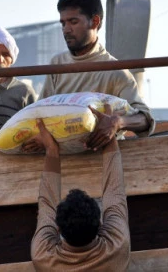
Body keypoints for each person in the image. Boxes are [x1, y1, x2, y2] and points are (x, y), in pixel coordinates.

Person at [24, 0, 155, 152]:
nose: (66, 29)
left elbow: (145, 120)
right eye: (63, 23)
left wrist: (117, 122)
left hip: (101, 161)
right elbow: (40, 114)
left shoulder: (116, 72)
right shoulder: (57, 64)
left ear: (94, 21)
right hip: (62, 162)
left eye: (73, 21)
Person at [31, 105, 130, 271]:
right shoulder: (117, 245)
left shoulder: (43, 256)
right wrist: (109, 130)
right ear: (100, 224)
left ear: (58, 228)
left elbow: (47, 206)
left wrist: (52, 150)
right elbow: (115, 192)